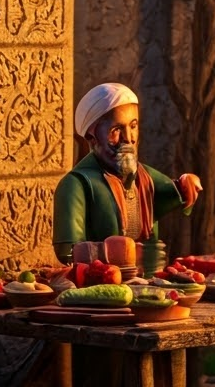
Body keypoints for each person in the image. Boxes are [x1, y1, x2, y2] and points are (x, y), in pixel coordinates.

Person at [52, 82, 202, 262]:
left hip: (147, 280)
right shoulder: (76, 184)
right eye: (116, 130)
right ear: (91, 137)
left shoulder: (144, 177)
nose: (128, 138)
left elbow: (172, 191)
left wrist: (186, 183)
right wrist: (121, 253)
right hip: (102, 284)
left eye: (133, 126)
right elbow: (67, 251)